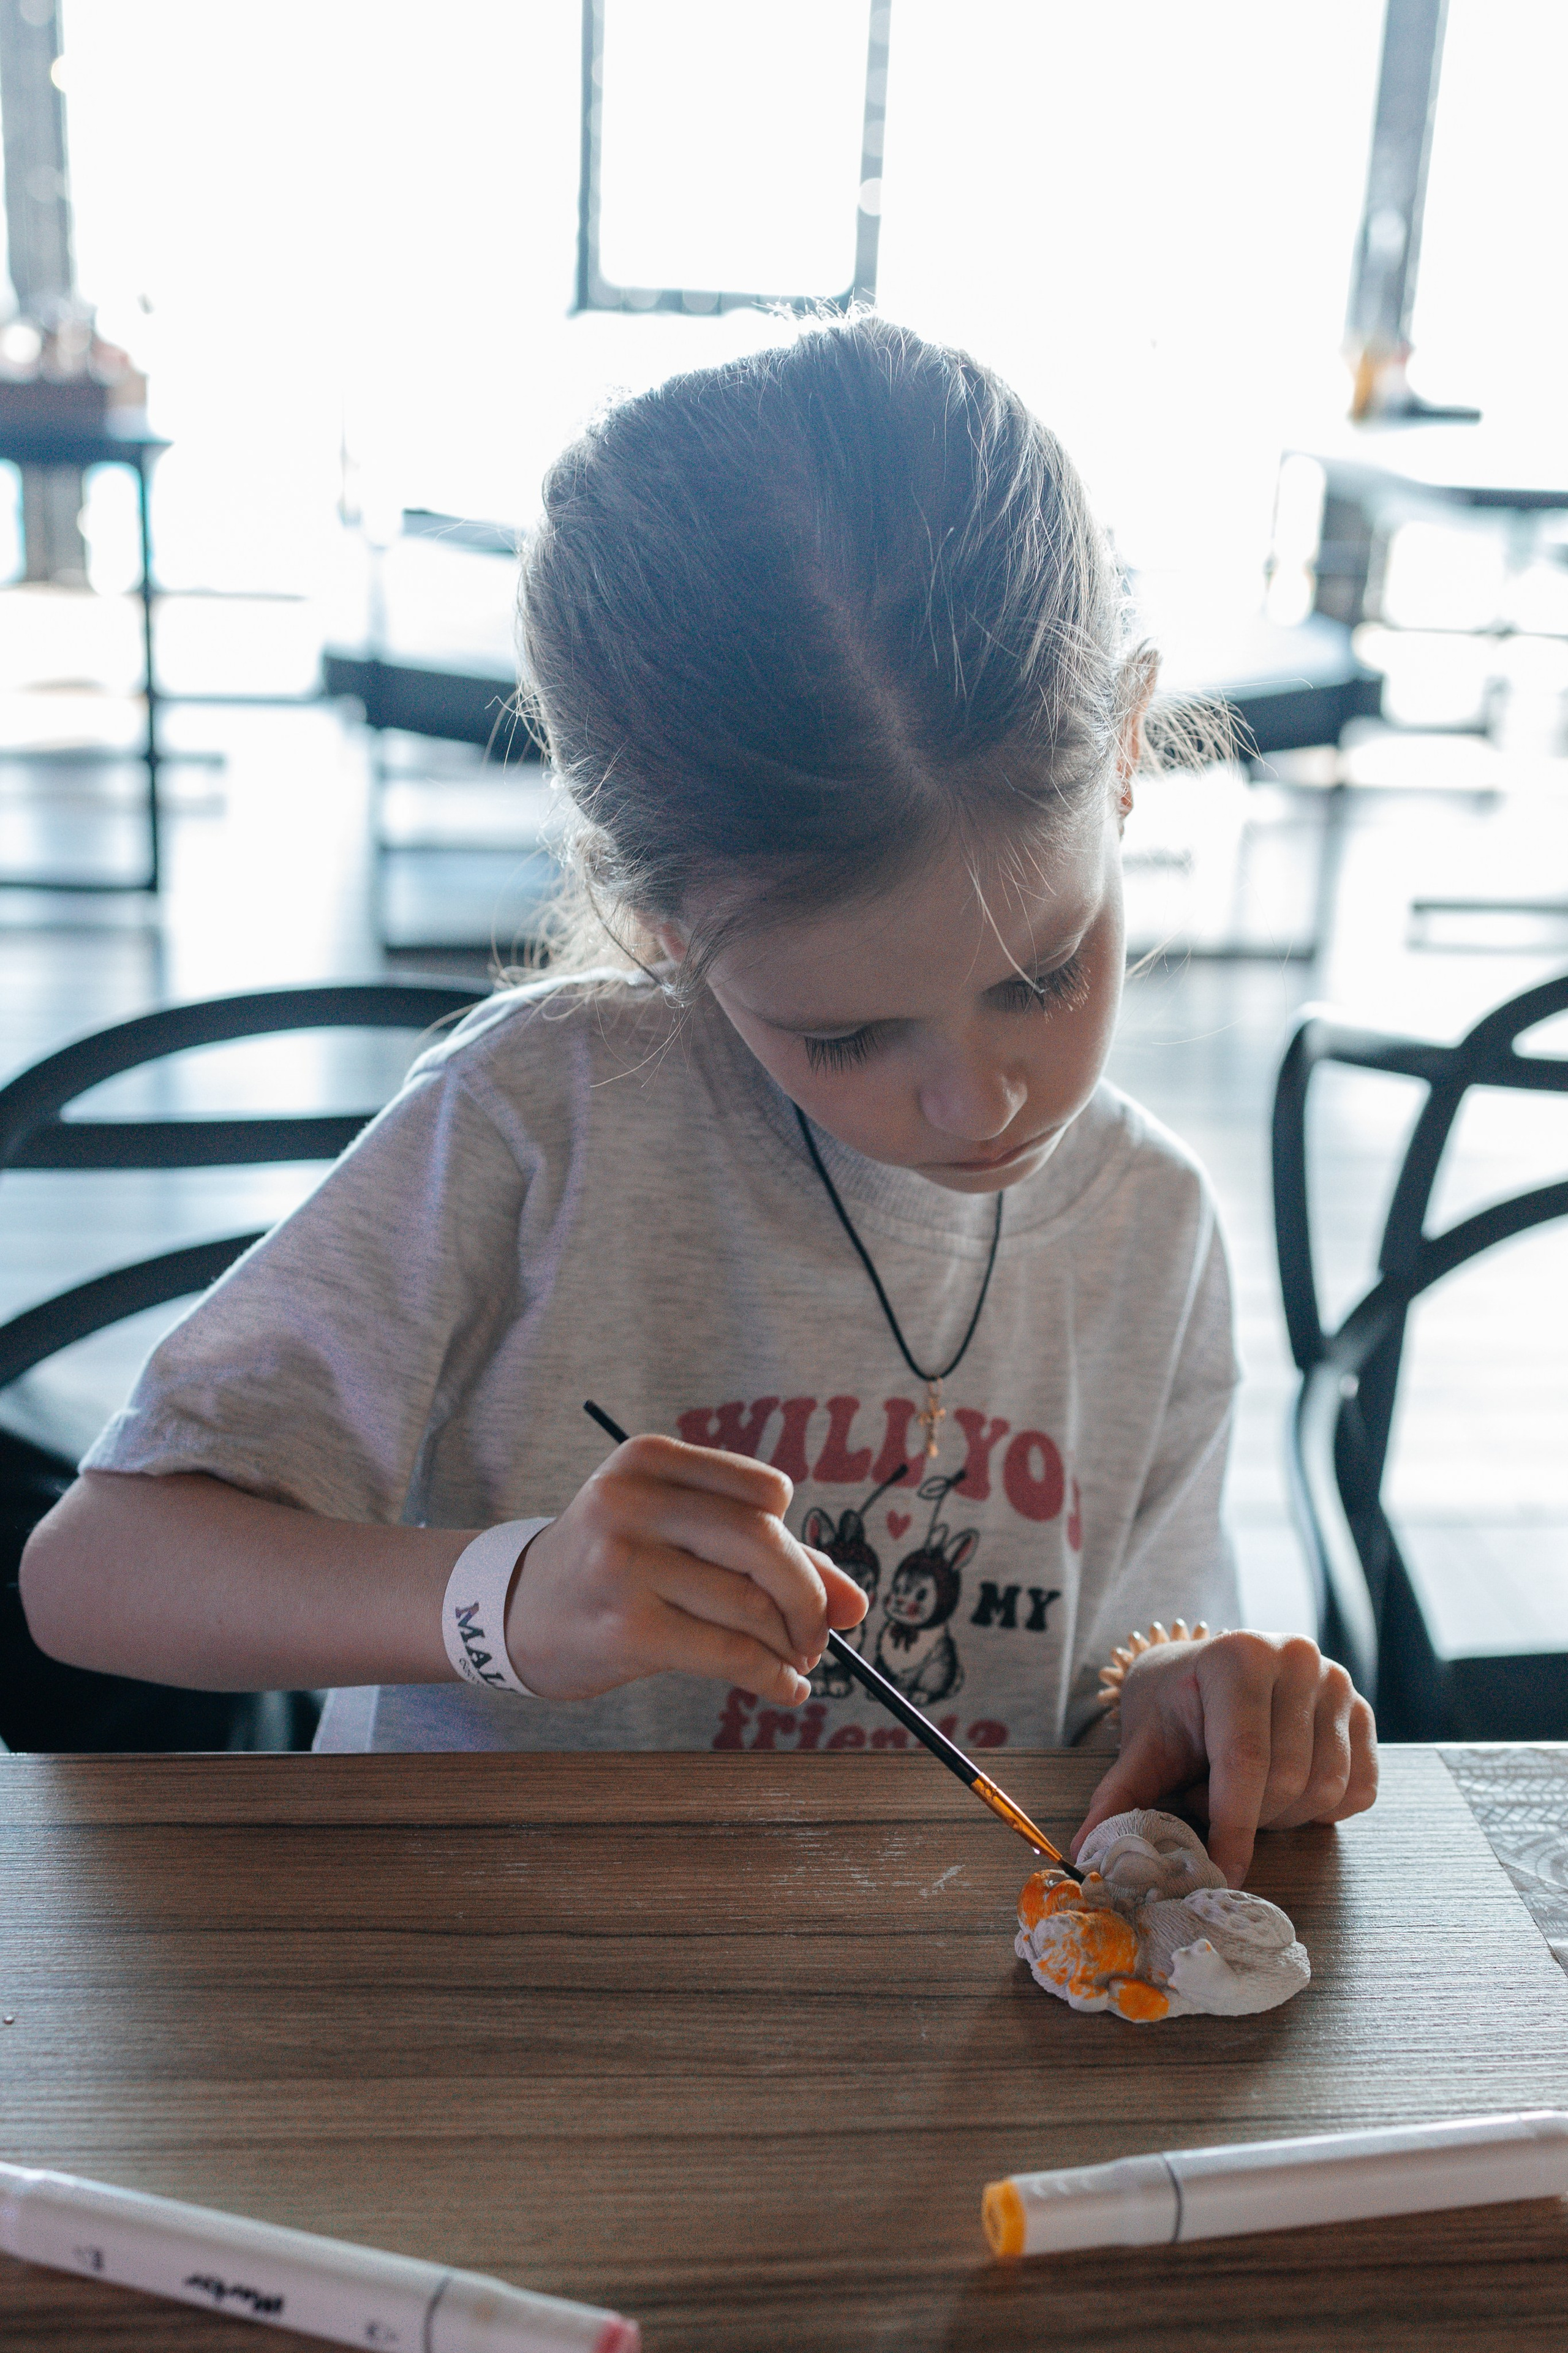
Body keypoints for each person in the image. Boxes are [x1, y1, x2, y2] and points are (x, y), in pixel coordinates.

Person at [20, 315, 1376, 1883]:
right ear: (665, 927)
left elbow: (1114, 1666)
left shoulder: (1151, 1222)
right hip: (477, 1988)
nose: (979, 1097)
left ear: (1129, 761)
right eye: (850, 1035)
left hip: (922, 2027)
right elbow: (93, 1575)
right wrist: (505, 1597)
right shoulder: (538, 1122)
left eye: (1042, 972)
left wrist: (1186, 1693)